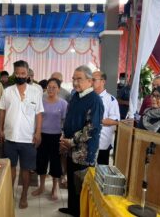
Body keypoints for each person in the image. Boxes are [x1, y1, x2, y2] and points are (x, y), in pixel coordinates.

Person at [59, 65, 104, 216]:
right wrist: (64, 138)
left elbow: (91, 129)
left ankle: (81, 212)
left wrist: (71, 141)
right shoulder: (76, 96)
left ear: (90, 81)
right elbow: (70, 119)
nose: (75, 82)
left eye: (79, 79)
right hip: (71, 148)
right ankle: (72, 208)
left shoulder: (95, 100)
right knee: (72, 182)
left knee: (82, 186)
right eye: (73, 79)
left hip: (84, 152)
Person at [0, 60, 44, 209]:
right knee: (10, 167)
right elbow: (2, 111)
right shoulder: (7, 91)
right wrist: (0, 129)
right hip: (10, 136)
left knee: (26, 169)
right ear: (14, 73)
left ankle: (24, 195)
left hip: (28, 137)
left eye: (23, 73)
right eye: (17, 73)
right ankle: (9, 194)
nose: (20, 75)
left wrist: (38, 132)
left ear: (28, 73)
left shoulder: (36, 92)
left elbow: (39, 114)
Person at [31, 78, 67, 200]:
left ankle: (54, 187)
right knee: (41, 161)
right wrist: (36, 134)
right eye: (49, 87)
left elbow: (65, 122)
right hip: (42, 135)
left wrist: (63, 137)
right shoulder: (41, 101)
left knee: (55, 163)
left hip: (56, 137)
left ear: (59, 89)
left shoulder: (63, 104)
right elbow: (36, 119)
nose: (51, 89)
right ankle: (41, 187)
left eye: (54, 87)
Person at [92, 71, 120, 165]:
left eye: (94, 80)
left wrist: (94, 121)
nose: (91, 82)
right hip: (87, 141)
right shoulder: (88, 97)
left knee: (101, 172)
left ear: (103, 81)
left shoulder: (110, 100)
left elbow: (115, 121)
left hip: (102, 143)